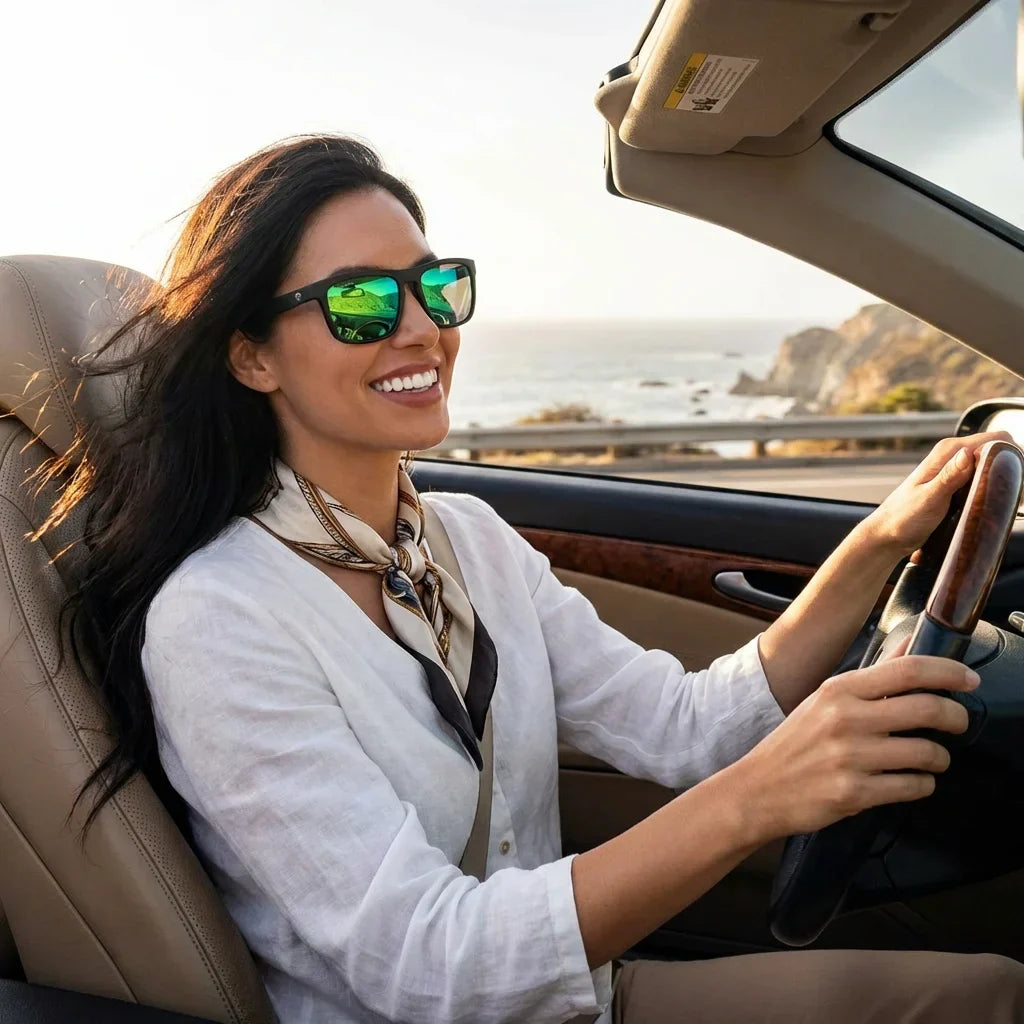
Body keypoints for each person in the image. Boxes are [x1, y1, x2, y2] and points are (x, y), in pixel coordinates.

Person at [44, 134, 1024, 1023]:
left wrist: (876, 543)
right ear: (251, 355)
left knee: (987, 992)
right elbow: (429, 966)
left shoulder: (468, 542)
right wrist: (757, 800)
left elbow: (686, 727)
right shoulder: (219, 618)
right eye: (361, 303)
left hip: (573, 1002)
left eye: (436, 288)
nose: (421, 328)